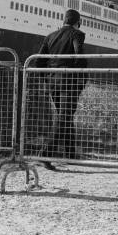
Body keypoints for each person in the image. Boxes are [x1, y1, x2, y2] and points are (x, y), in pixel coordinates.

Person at [36, 9, 87, 160]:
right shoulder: (77, 34)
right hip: (69, 82)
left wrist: (47, 78)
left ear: (63, 20)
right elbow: (79, 56)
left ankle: (70, 154)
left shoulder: (50, 36)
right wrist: (81, 77)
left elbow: (39, 61)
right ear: (78, 22)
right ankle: (46, 153)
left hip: (53, 83)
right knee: (64, 116)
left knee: (65, 116)